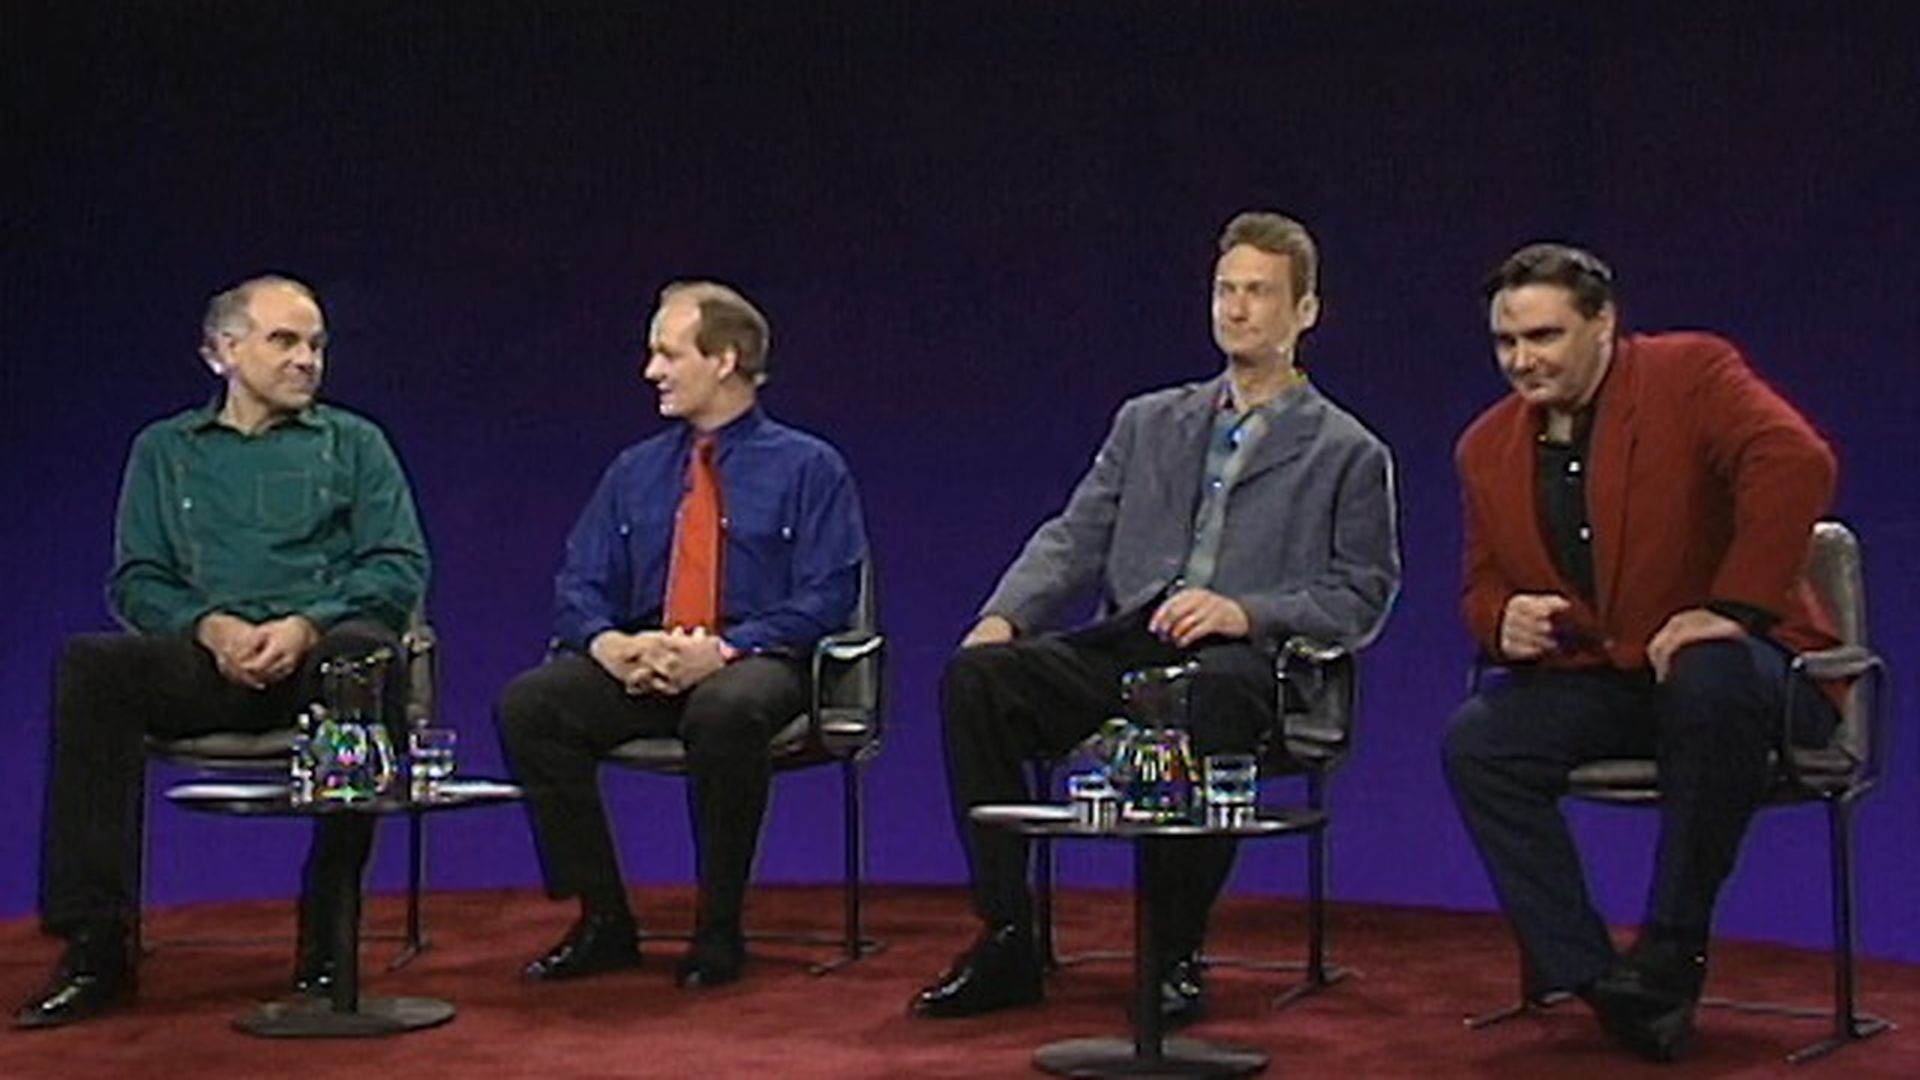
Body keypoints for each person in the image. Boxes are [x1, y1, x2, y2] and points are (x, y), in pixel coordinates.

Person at [910, 212, 1401, 1024]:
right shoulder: (1147, 422)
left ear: (1306, 311)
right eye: (1225, 290)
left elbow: (1362, 595)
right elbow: (1075, 535)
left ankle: (1173, 953)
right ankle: (1008, 938)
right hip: (1131, 644)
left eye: (1259, 292)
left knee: (1212, 696)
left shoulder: (1348, 452)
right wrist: (1004, 616)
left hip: (1251, 665)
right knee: (979, 679)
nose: (1236, 308)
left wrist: (1244, 612)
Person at [1441, 243, 1843, 1061]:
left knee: (1707, 672)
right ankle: (1599, 980)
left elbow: (1796, 461)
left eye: (1544, 336)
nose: (1522, 360)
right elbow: (1483, 582)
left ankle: (1670, 951)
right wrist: (1502, 618)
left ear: (1604, 324)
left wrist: (1730, 609)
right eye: (1506, 342)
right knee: (1480, 741)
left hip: (1757, 679)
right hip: (1615, 679)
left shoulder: (1688, 374)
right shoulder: (1486, 446)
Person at [14, 276, 431, 1029]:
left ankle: (330, 933)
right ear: (223, 352)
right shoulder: (165, 450)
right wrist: (209, 627)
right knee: (92, 667)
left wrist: (305, 625)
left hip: (319, 664)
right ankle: (96, 946)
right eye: (285, 341)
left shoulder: (355, 443)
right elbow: (137, 578)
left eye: (316, 345)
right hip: (207, 664)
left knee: (362, 658)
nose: (306, 359)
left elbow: (398, 566)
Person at [498, 280, 867, 990]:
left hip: (757, 659)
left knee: (725, 709)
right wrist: (610, 645)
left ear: (724, 360)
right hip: (648, 659)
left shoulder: (810, 468)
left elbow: (828, 595)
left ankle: (718, 928)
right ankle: (603, 919)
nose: (651, 371)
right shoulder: (634, 470)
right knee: (531, 706)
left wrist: (722, 651)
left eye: (668, 354)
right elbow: (579, 583)